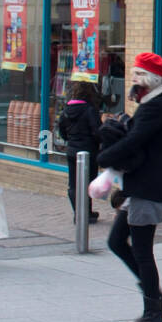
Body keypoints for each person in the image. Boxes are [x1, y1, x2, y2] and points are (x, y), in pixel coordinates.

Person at [97, 52, 162, 322]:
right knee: (117, 241)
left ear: (149, 78)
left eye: (136, 75)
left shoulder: (157, 106)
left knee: (143, 252)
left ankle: (153, 314)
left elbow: (135, 141)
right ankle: (156, 298)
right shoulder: (152, 103)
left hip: (149, 187)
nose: (131, 80)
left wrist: (105, 158)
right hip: (140, 186)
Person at [58, 80, 102, 222]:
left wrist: (71, 140)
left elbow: (62, 131)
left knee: (73, 184)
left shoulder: (66, 111)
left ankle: (80, 212)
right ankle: (84, 213)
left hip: (72, 151)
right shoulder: (90, 110)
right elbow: (97, 131)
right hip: (88, 151)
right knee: (88, 182)